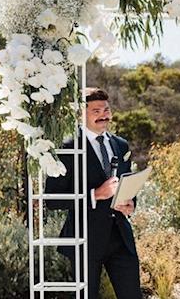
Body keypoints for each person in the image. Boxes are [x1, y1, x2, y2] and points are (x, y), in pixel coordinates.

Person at [45, 88, 141, 299]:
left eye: (106, 109)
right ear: (81, 113)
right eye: (96, 110)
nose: (104, 115)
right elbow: (51, 199)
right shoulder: (67, 147)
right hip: (84, 239)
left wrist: (131, 203)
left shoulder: (120, 144)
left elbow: (126, 184)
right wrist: (95, 195)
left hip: (121, 238)